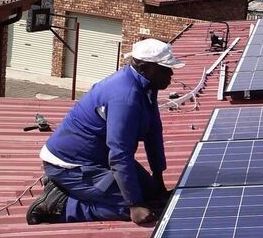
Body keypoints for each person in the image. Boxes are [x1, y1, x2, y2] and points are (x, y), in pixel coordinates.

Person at [26, 38, 184, 225]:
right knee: (136, 209)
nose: (171, 74)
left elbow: (153, 133)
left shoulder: (147, 86)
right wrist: (134, 204)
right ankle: (58, 205)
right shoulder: (125, 97)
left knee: (151, 195)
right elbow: (119, 153)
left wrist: (158, 179)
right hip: (70, 165)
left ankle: (76, 189)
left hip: (97, 159)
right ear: (144, 67)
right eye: (165, 69)